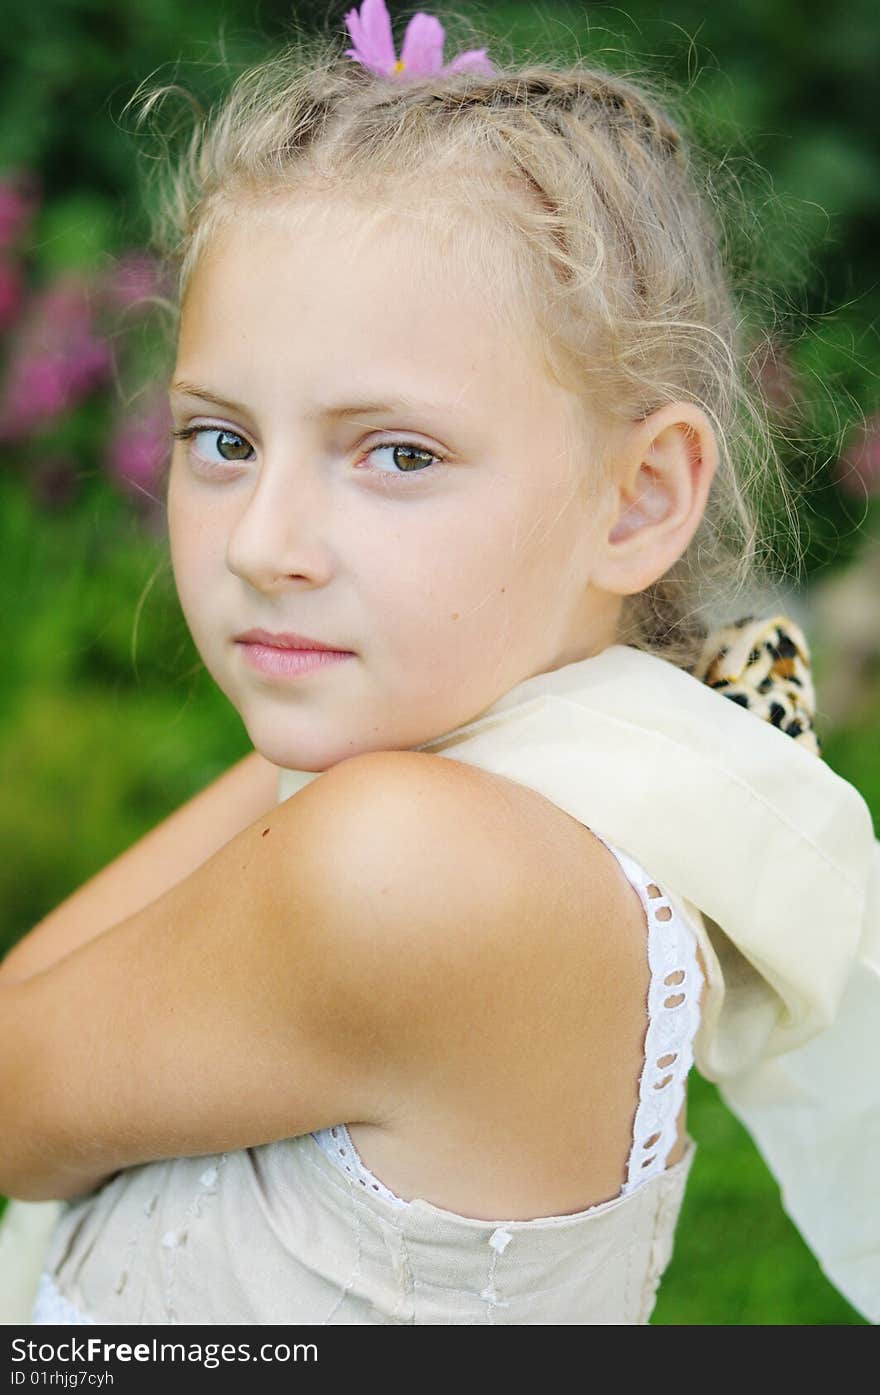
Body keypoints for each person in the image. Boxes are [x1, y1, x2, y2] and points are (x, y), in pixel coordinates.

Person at [0, 1, 877, 1326]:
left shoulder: (412, 858)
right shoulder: (583, 788)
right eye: (221, 439)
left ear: (640, 499)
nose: (266, 545)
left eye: (397, 454)